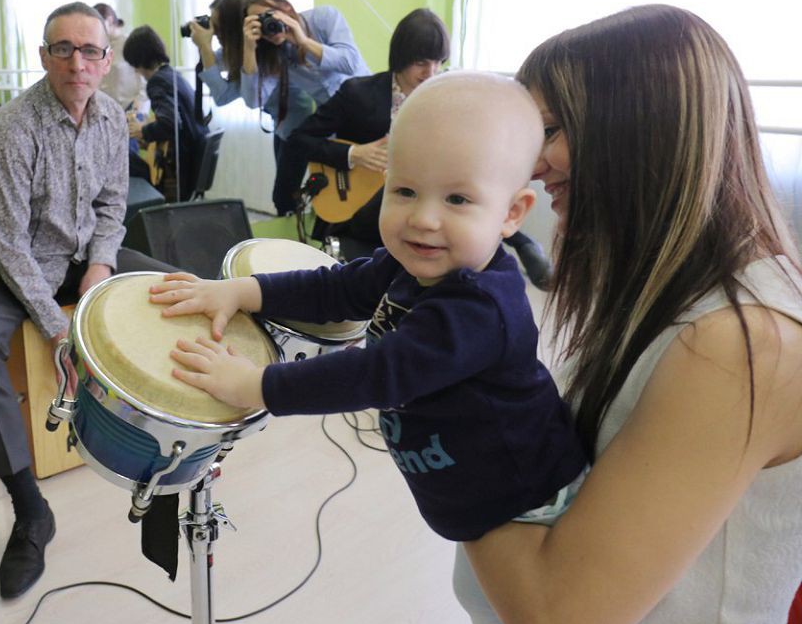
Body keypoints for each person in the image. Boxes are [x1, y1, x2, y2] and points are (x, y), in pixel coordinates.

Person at [449, 5, 802, 624]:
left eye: (549, 131)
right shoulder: (664, 299)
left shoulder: (739, 343)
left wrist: (445, 404)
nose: (532, 166)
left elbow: (556, 622)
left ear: (640, 129)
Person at [150, 72, 588, 547]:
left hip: (527, 500)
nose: (423, 218)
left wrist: (255, 385)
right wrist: (242, 291)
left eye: (458, 199)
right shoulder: (410, 262)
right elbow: (338, 288)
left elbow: (375, 374)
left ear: (512, 214)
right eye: (405, 191)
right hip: (467, 496)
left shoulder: (480, 310)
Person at [0, 2, 177, 600]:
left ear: (105, 59)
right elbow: (8, 243)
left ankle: (167, 443)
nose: (78, 62)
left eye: (90, 50)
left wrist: (101, 265)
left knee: (178, 287)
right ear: (44, 56)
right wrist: (59, 330)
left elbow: (112, 207)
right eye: (64, 49)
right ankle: (30, 511)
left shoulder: (111, 117)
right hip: (14, 265)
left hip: (82, 255)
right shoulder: (10, 128)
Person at [289, 8, 554, 288]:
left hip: (431, 207)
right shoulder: (357, 93)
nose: (431, 72)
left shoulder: (450, 101)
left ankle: (518, 241)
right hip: (365, 211)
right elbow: (299, 139)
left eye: (439, 62)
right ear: (400, 58)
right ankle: (521, 242)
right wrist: (355, 155)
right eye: (421, 63)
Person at [241, 0, 370, 214]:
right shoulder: (273, 51)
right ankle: (294, 212)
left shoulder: (324, 17)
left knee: (367, 185)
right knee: (298, 153)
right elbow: (253, 100)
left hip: (365, 106)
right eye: (259, 22)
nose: (267, 25)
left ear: (285, 7)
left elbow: (350, 62)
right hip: (331, 120)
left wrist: (302, 41)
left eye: (268, 16)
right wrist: (249, 49)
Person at [186, 0, 316, 210]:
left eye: (217, 27)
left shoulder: (264, 51)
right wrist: (204, 45)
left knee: (284, 197)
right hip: (282, 126)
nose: (214, 33)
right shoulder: (235, 50)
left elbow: (239, 98)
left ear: (232, 27)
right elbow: (219, 87)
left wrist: (206, 47)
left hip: (299, 125)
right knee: (286, 196)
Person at [123, 25, 209, 202]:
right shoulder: (172, 75)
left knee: (122, 158)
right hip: (195, 158)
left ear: (139, 61)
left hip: (182, 166)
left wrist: (142, 130)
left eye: (134, 65)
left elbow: (171, 124)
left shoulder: (157, 82)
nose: (135, 71)